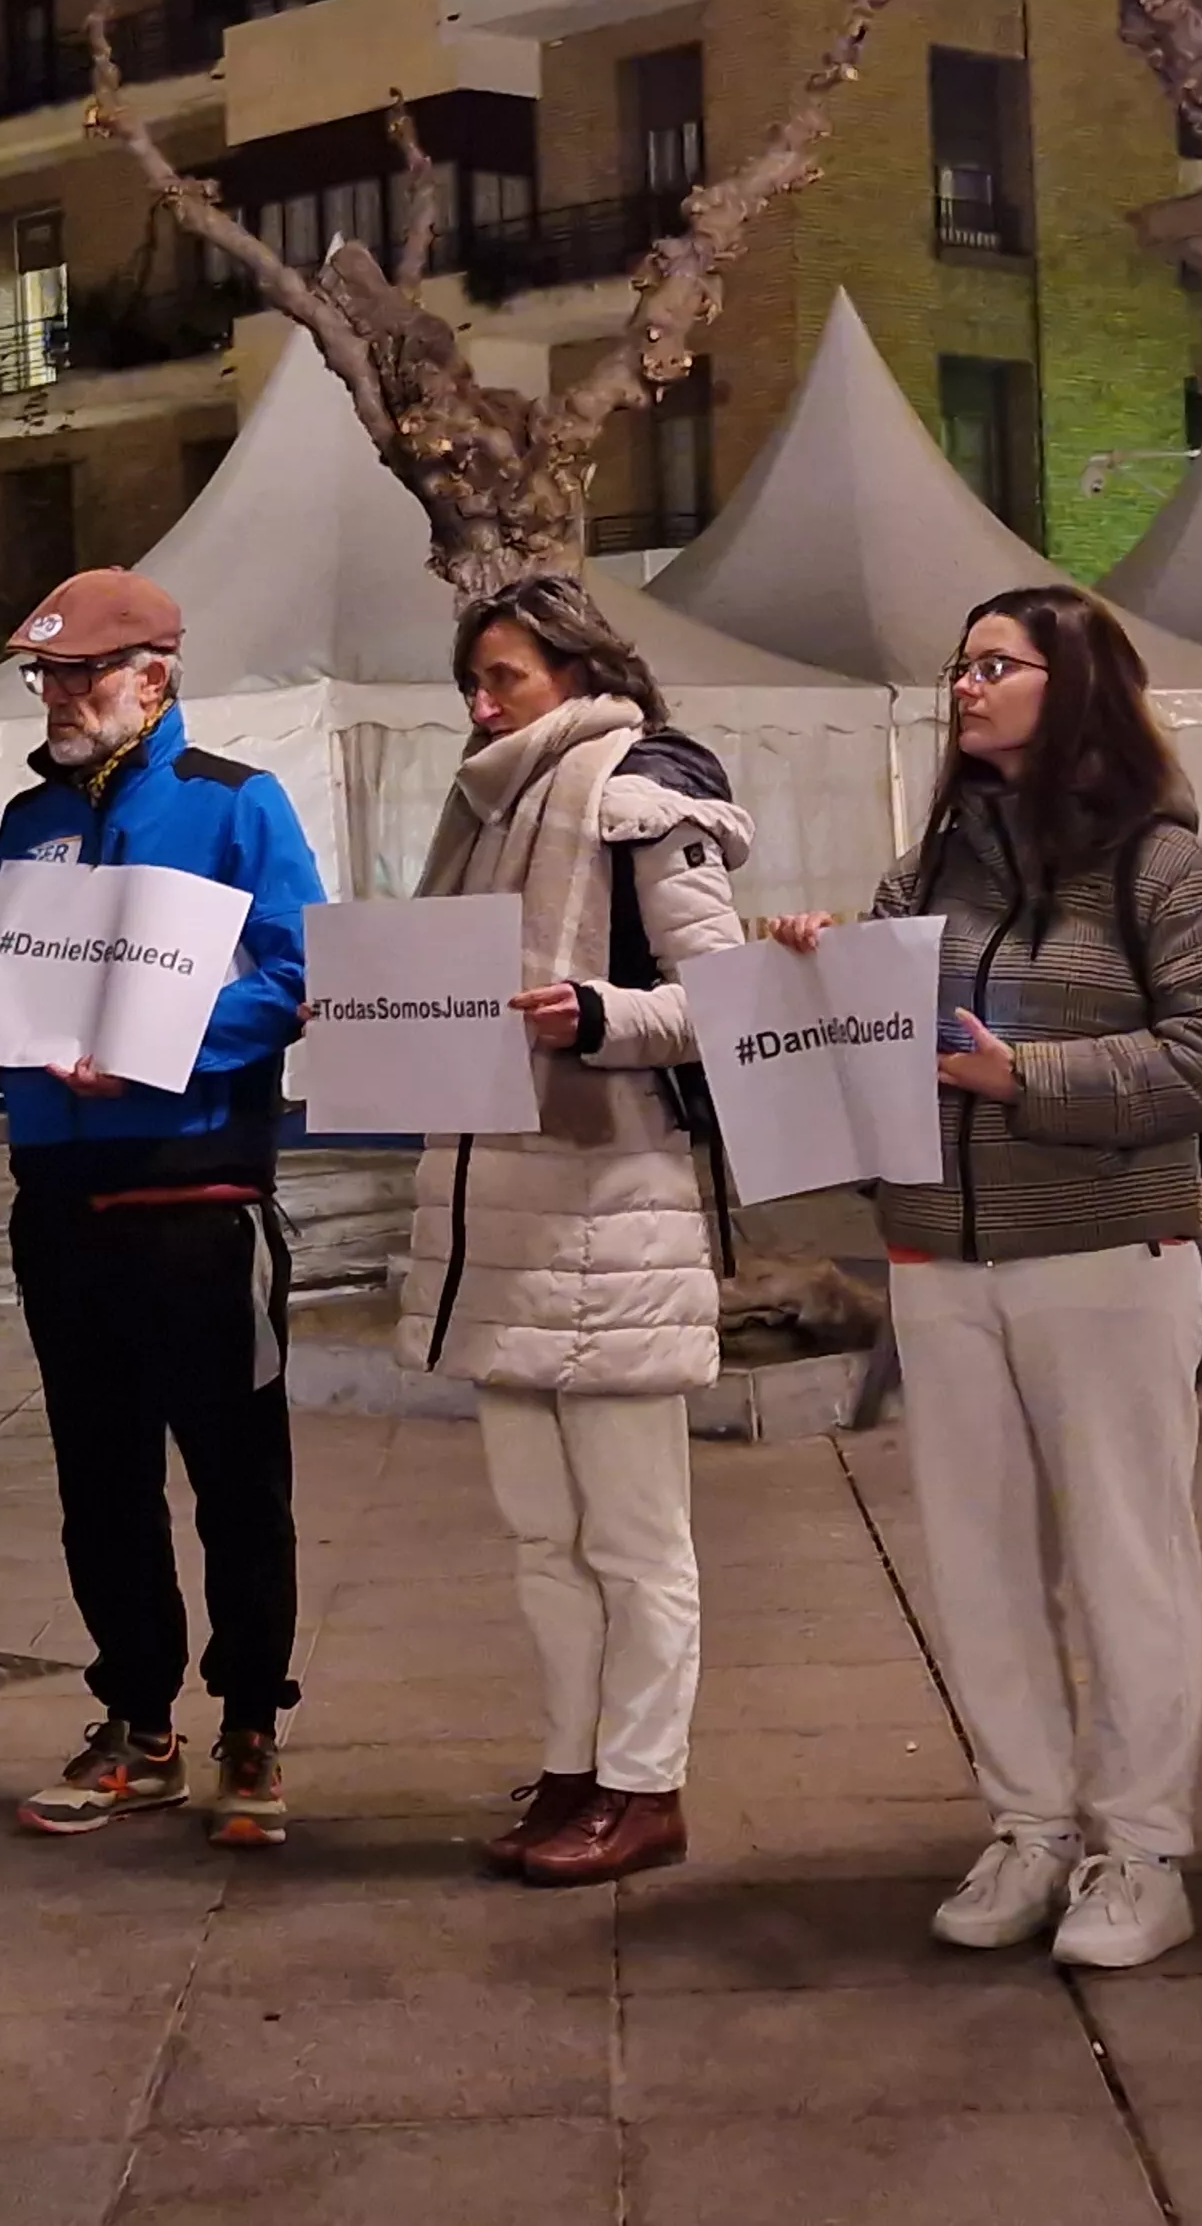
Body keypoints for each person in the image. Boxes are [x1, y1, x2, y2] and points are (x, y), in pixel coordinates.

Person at [766, 587, 1202, 1971]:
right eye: (962, 662)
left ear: (1076, 686)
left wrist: (1023, 1075)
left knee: (1127, 1558)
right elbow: (865, 1045)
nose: (967, 685)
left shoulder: (1161, 867)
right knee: (980, 1564)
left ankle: (1142, 1847)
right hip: (941, 1260)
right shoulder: (925, 870)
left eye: (998, 664)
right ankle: (1032, 1826)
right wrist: (823, 975)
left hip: (1107, 1253)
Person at [400, 576, 752, 1888]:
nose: (486, 704)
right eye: (475, 683)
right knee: (544, 1537)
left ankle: (644, 1785)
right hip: (501, 1217)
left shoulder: (634, 799)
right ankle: (573, 1763)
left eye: (509, 679)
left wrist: (596, 1015)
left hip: (613, 1211)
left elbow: (726, 1001)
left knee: (635, 1536)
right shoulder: (487, 807)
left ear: (576, 672)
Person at [0, 569, 325, 1848]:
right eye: (48, 677)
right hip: (61, 1201)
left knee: (239, 1478)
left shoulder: (238, 803)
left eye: (81, 675)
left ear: (153, 677)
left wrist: (158, 1044)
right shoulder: (29, 821)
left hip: (200, 1199)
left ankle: (249, 1721)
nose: (61, 697)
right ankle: (139, 1720)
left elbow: (299, 972)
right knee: (99, 1479)